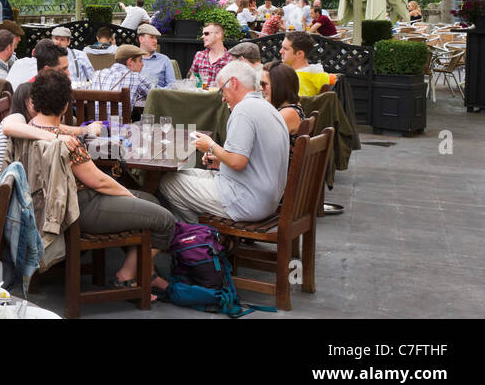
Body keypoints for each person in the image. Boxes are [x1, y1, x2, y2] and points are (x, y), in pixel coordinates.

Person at [20, 69, 174, 298]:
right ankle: (127, 276)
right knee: (165, 219)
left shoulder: (29, 126)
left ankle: (144, 273)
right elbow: (100, 182)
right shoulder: (67, 143)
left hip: (47, 207)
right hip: (79, 209)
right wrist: (129, 198)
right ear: (65, 106)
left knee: (150, 201)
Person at [157, 60, 290, 224]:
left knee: (168, 183)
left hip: (247, 200)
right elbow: (256, 159)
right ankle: (204, 235)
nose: (222, 98)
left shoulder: (243, 110)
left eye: (222, 90)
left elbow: (237, 161)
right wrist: (221, 160)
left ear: (233, 83)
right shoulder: (268, 107)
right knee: (179, 174)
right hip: (265, 197)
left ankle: (203, 236)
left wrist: (211, 145)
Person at [96, 44, 155, 114]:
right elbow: (155, 96)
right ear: (130, 62)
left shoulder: (98, 74)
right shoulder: (136, 77)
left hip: (94, 124)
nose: (142, 64)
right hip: (120, 124)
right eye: (140, 60)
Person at [261, 61, 305, 150]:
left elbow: (261, 143)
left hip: (277, 164)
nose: (261, 88)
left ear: (279, 87)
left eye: (264, 84)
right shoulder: (292, 108)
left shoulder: (288, 114)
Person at [188, 21, 231, 86]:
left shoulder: (230, 59)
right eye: (202, 34)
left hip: (219, 95)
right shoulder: (199, 55)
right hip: (201, 94)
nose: (203, 36)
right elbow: (193, 77)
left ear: (218, 35)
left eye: (206, 33)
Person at [136, 23, 175, 89]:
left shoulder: (164, 60)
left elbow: (172, 86)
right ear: (141, 39)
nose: (155, 41)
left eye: (156, 38)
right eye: (151, 37)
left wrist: (156, 91)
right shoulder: (132, 59)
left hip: (157, 97)